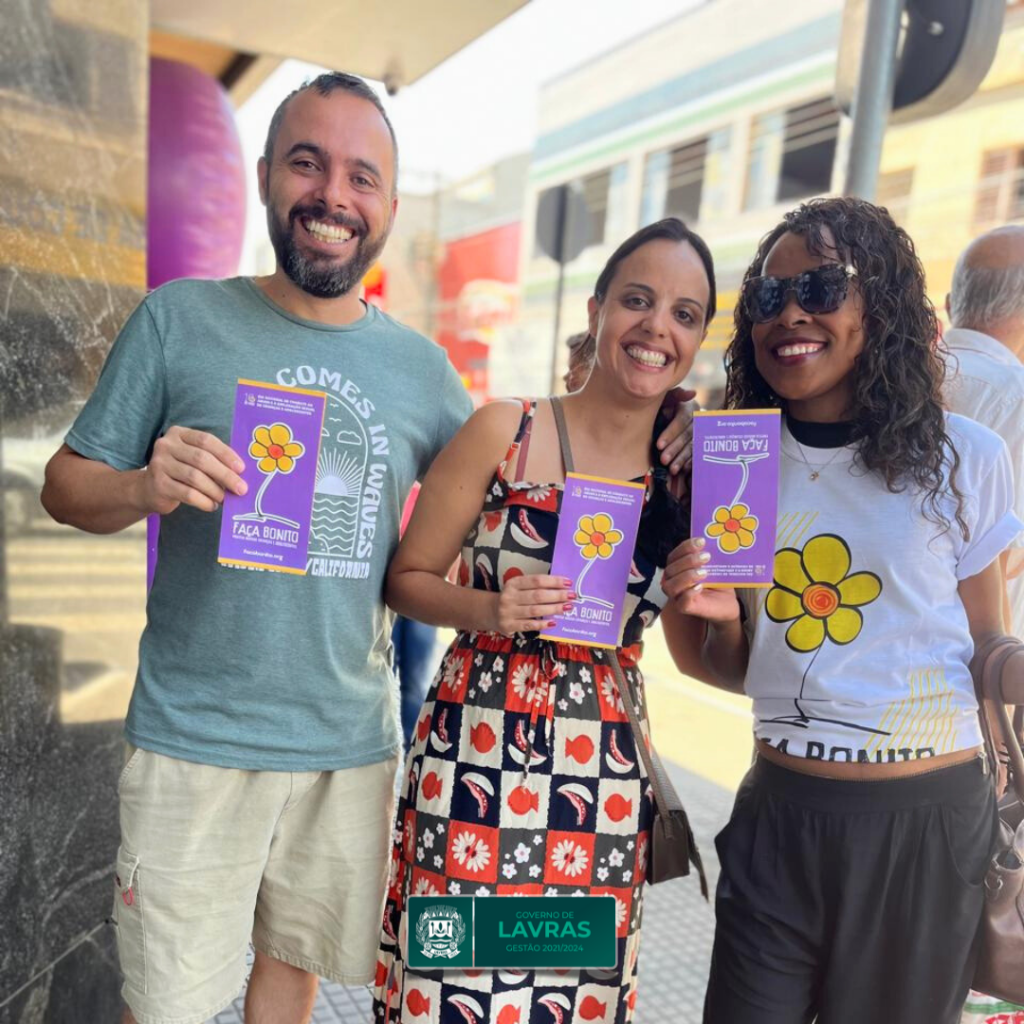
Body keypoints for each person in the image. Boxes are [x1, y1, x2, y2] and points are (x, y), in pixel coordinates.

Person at [40, 72, 476, 1024]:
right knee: (166, 1003)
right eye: (308, 164)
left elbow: (514, 495)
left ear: (389, 206)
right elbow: (63, 487)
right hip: (193, 741)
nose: (333, 196)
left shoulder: (423, 371)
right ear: (268, 175)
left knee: (292, 973)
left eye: (362, 177)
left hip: (345, 745)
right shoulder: (179, 319)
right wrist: (143, 485)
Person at [662, 197, 1024, 1024]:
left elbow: (988, 644)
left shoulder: (965, 457)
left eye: (822, 287)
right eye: (769, 295)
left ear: (882, 304)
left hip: (925, 830)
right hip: (778, 816)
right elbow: (726, 667)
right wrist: (719, 619)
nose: (790, 313)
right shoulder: (734, 460)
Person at [371, 217, 716, 1023]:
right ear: (597, 310)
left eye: (685, 313)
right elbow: (405, 580)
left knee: (568, 993)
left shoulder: (690, 471)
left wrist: (710, 599)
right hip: (475, 760)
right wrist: (491, 608)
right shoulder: (507, 430)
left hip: (599, 779)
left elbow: (710, 649)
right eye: (637, 300)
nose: (657, 328)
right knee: (448, 981)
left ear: (699, 338)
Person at [945, 226, 1024, 638]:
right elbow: (1007, 558)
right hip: (985, 660)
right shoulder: (1018, 398)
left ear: (949, 303)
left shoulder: (890, 379)